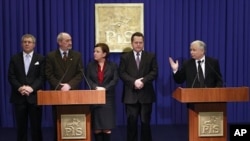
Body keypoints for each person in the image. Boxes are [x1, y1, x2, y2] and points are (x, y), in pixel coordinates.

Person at [119, 32, 158, 141]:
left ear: (143, 43)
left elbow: (154, 72)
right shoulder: (125, 57)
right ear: (132, 43)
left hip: (146, 95)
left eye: (140, 42)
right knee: (131, 124)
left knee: (146, 123)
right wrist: (134, 82)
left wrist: (143, 81)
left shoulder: (150, 56)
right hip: (130, 96)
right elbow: (121, 73)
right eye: (136, 42)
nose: (138, 45)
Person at [45, 32, 84, 140]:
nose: (70, 43)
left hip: (73, 93)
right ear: (59, 42)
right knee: (58, 120)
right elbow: (49, 74)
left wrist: (69, 85)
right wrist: (60, 87)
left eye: (70, 40)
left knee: (72, 120)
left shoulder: (76, 55)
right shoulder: (51, 56)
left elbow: (80, 73)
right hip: (58, 94)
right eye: (67, 41)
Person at [8, 34, 45, 141]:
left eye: (29, 42)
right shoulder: (15, 58)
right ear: (21, 44)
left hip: (35, 98)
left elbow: (42, 77)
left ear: (34, 44)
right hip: (19, 97)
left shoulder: (40, 58)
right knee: (21, 128)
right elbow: (11, 76)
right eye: (25, 42)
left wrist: (31, 88)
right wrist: (20, 88)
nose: (27, 44)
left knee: (36, 127)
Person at [86, 43, 119, 141]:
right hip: (95, 98)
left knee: (106, 128)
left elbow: (115, 80)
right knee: (97, 128)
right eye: (94, 51)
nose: (94, 53)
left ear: (104, 54)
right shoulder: (90, 66)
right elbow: (88, 79)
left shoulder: (113, 66)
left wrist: (105, 88)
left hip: (107, 98)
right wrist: (95, 87)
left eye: (97, 52)